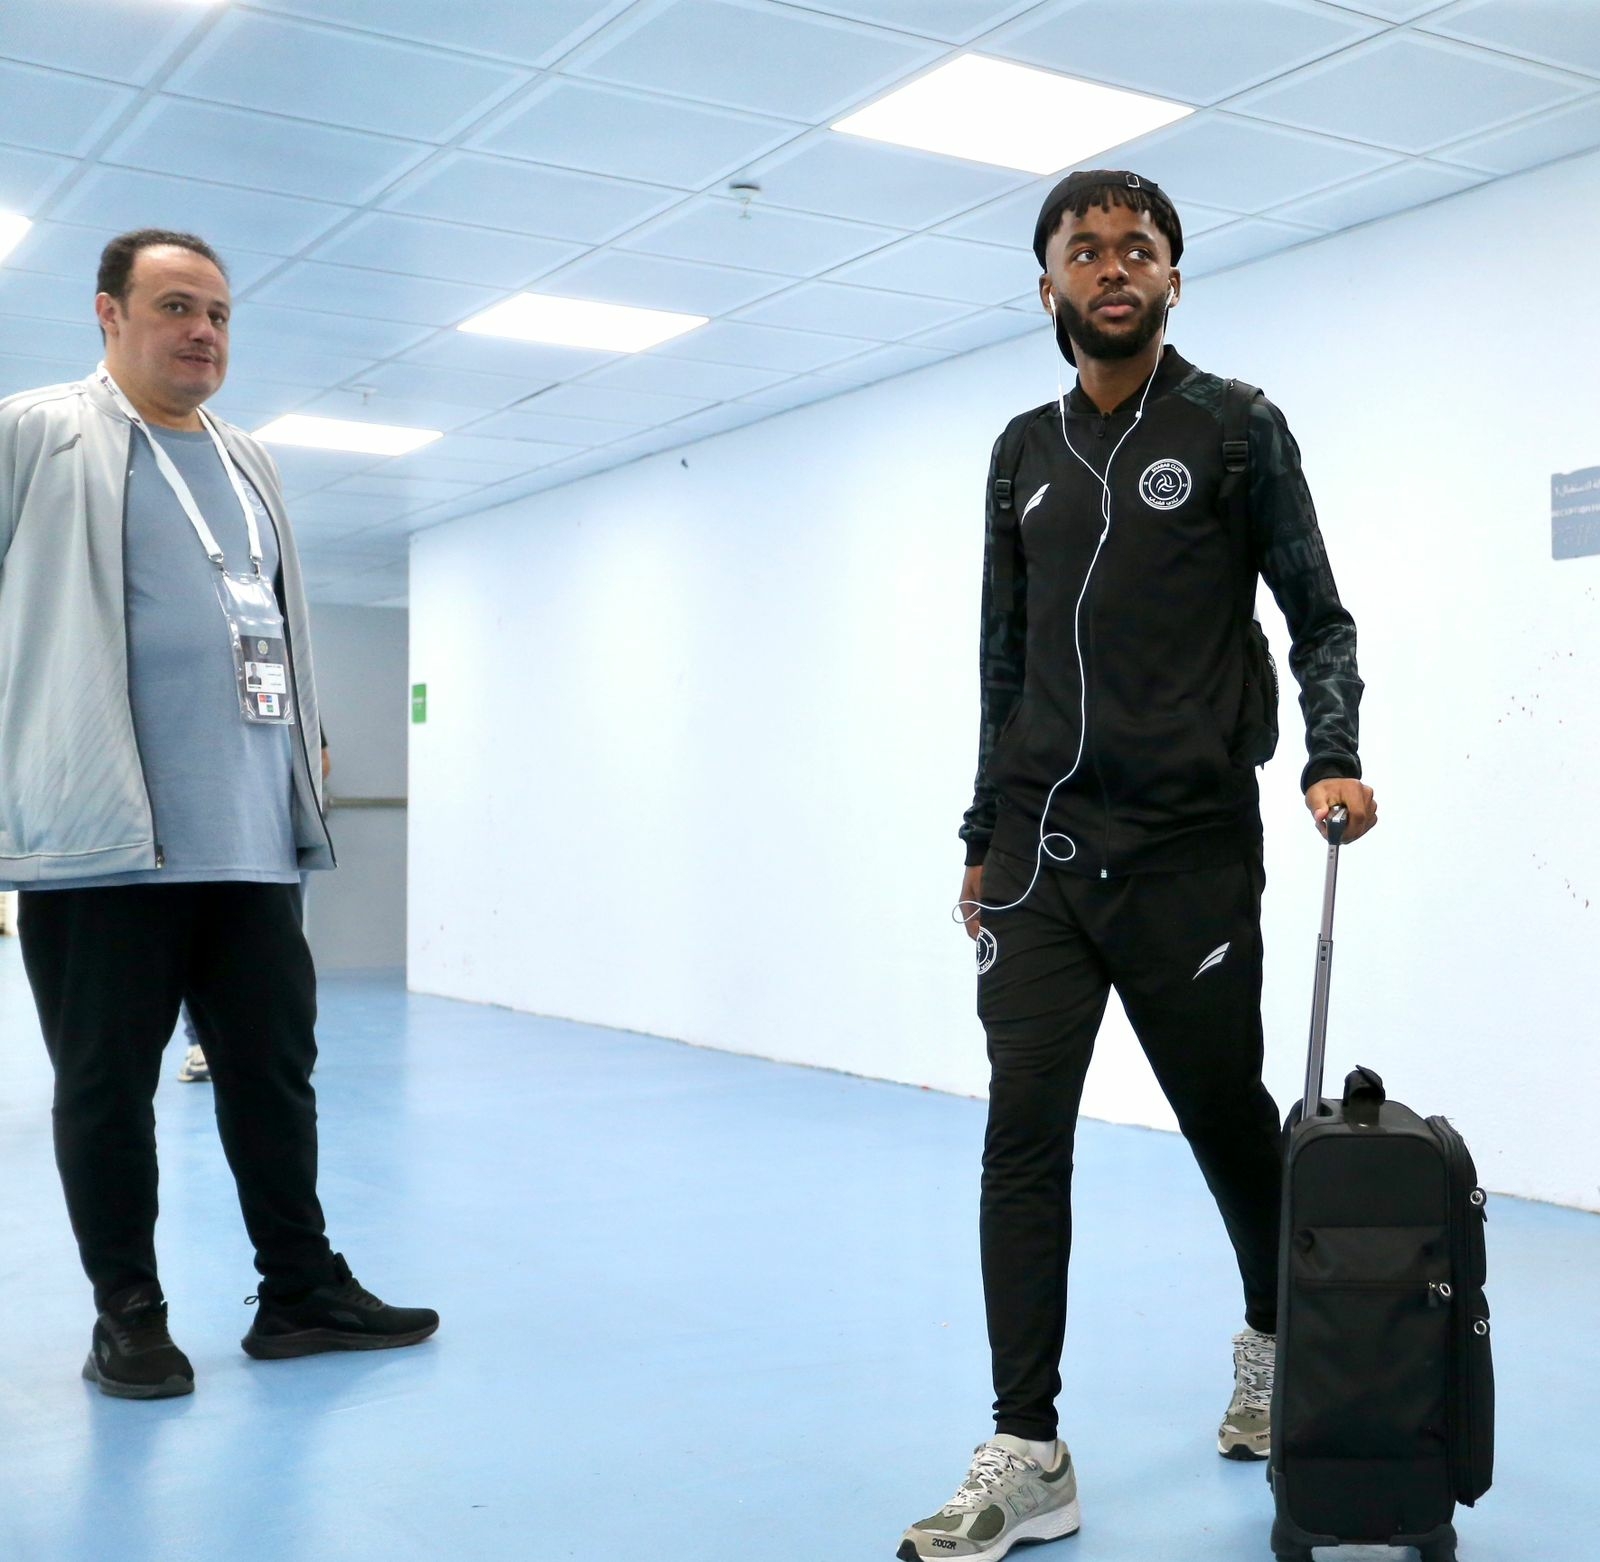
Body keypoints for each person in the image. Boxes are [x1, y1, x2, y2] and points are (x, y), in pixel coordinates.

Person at [897, 170, 1375, 1561]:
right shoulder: (1019, 450)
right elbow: (1001, 661)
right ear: (1047, 283)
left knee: (1225, 1116)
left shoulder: (1234, 426)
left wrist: (1331, 751)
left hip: (1187, 854)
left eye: (1139, 248)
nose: (1113, 266)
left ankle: (1277, 1342)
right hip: (1042, 854)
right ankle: (1026, 1447)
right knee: (1021, 1137)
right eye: (1085, 249)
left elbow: (1318, 615)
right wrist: (982, 833)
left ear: (1173, 275)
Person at [0, 229, 437, 1400]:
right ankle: (129, 1315)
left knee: (273, 1074)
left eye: (220, 314)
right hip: (101, 846)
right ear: (109, 314)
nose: (203, 331)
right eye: (176, 306)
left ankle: (300, 1291)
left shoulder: (249, 459)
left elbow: (268, 616)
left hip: (249, 840)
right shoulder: (34, 434)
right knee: (107, 1090)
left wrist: (306, 743)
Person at [178, 729, 328, 1083]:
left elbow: (321, 758)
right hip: (202, 841)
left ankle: (283, 1046)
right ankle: (199, 1044)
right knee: (195, 947)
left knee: (278, 952)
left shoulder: (286, 700)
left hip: (277, 841)